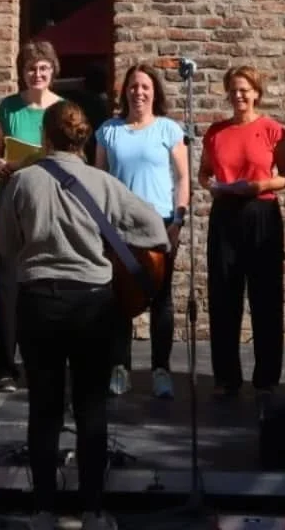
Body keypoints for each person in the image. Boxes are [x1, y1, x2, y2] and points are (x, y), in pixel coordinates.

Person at [0, 101, 167, 530]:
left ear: (46, 137)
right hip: (93, 302)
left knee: (44, 408)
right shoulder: (103, 183)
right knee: (91, 408)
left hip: (38, 302)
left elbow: (2, 241)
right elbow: (155, 231)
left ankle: (43, 512)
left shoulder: (23, 181)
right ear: (84, 138)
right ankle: (91, 510)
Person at [94, 62, 189, 399]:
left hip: (160, 224)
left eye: (145, 86)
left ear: (155, 92)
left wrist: (178, 220)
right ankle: (120, 367)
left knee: (160, 298)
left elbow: (182, 178)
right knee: (119, 297)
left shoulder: (168, 130)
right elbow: (99, 179)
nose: (139, 92)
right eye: (133, 86)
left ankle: (161, 370)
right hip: (119, 225)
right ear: (125, 92)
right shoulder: (108, 130)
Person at [198, 64, 285, 399]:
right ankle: (226, 377)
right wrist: (211, 185)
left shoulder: (271, 129)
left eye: (245, 89)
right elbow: (204, 173)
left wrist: (259, 185)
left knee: (265, 296)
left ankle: (267, 378)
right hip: (225, 212)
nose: (239, 96)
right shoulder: (216, 131)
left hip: (260, 211)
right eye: (234, 90)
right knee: (224, 294)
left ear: (256, 92)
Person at [0, 39, 62, 391]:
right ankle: (3, 367)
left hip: (49, 204)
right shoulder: (9, 108)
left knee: (46, 284)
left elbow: (76, 158)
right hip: (11, 200)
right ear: (22, 72)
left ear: (52, 71)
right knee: (5, 286)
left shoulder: (63, 109)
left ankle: (43, 361)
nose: (37, 73)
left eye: (43, 67)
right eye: (31, 68)